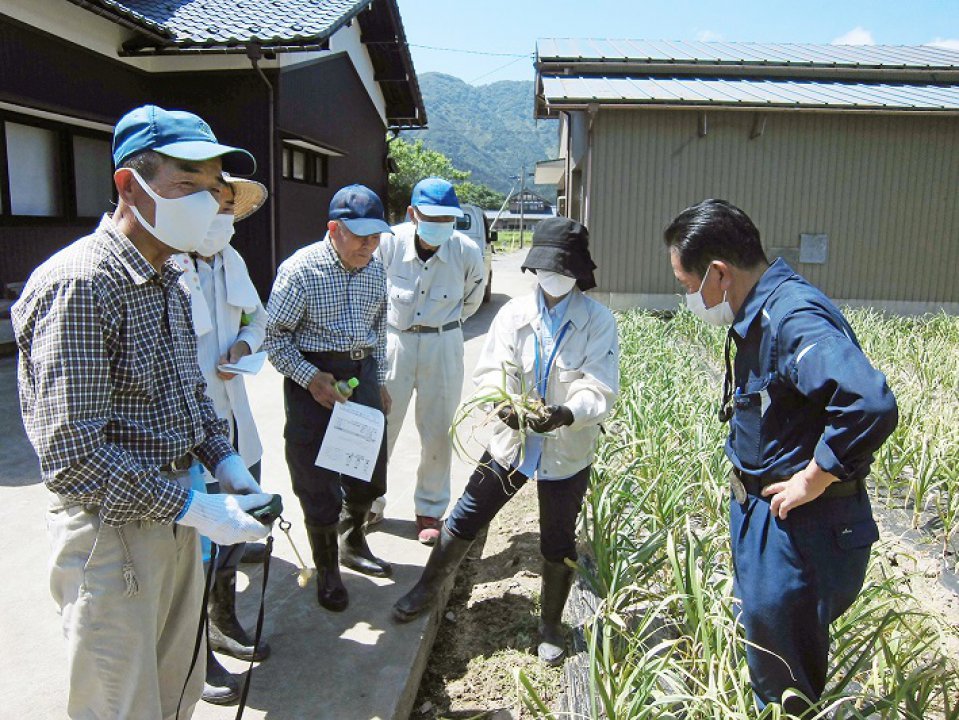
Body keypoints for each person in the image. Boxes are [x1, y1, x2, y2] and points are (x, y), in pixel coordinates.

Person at [11, 104, 274, 720]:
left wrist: (228, 464)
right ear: (130, 185)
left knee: (175, 687)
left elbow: (193, 398)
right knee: (121, 702)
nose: (207, 203)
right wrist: (197, 506)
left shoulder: (170, 277)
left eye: (215, 189)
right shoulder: (80, 283)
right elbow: (73, 454)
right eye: (187, 184)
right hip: (110, 535)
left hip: (177, 514)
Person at [663, 199, 898, 713]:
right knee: (771, 654)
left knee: (784, 682)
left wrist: (813, 478)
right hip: (767, 520)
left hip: (801, 528)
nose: (689, 298)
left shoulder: (791, 317)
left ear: (719, 274)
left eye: (688, 286)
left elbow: (870, 404)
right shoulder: (757, 314)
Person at [392, 217, 619, 667]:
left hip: (565, 447)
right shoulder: (515, 313)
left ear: (578, 272)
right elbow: (492, 369)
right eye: (548, 267)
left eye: (564, 268)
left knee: (558, 539)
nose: (554, 276)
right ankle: (426, 586)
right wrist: (502, 404)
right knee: (467, 514)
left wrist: (567, 413)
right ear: (535, 269)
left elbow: (599, 384)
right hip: (510, 441)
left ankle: (550, 624)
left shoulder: (597, 320)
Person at [264, 184, 393, 612]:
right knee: (317, 481)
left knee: (368, 473)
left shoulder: (375, 269)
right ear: (334, 229)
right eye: (360, 236)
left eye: (376, 236)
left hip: (362, 372)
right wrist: (310, 377)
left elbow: (381, 327)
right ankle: (327, 569)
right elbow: (274, 337)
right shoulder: (301, 271)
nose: (369, 245)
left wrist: (382, 380)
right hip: (313, 379)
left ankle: (353, 540)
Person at [172, 175, 270, 704]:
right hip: (186, 435)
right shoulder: (167, 267)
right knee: (195, 551)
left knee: (237, 533)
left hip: (234, 428)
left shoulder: (232, 261)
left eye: (229, 207)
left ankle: (223, 620)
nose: (222, 216)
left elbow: (259, 317)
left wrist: (248, 343)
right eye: (213, 204)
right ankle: (197, 650)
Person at [374, 177, 486, 544]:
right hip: (395, 341)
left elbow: (472, 300)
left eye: (447, 219)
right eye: (432, 217)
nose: (440, 226)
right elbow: (372, 292)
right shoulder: (388, 244)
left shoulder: (466, 251)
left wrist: (443, 325)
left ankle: (430, 509)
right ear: (412, 214)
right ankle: (369, 502)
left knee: (438, 430)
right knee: (380, 424)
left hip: (444, 342)